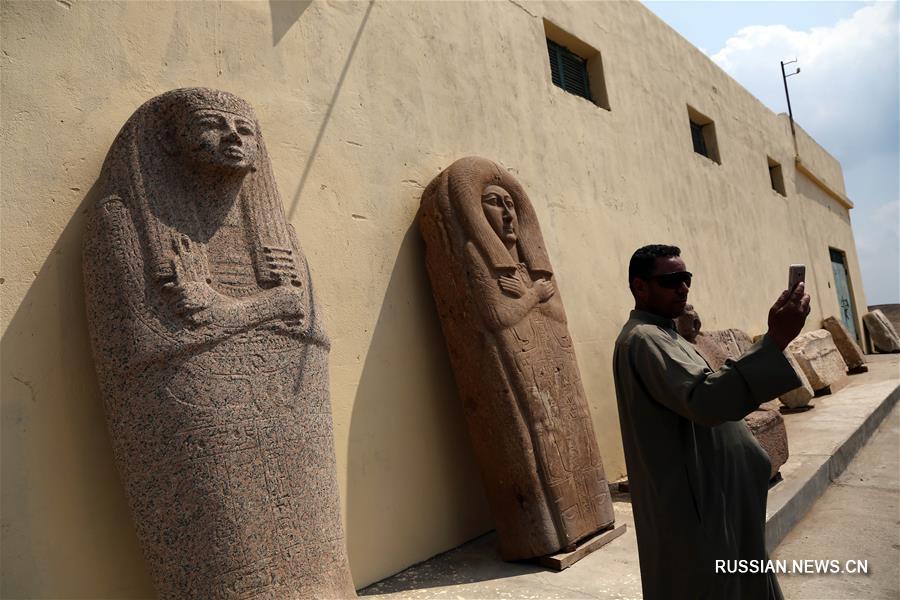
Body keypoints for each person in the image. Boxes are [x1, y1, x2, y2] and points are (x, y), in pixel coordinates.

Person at [612, 244, 810, 600]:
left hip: (719, 497)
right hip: (699, 506)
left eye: (685, 278)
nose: (683, 288)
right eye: (671, 280)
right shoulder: (644, 339)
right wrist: (776, 340)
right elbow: (705, 400)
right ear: (640, 287)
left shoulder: (666, 333)